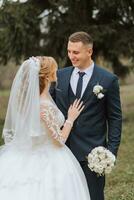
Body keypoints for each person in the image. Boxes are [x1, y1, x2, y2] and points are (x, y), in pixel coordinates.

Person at [0, 56, 91, 200]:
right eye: (54, 68)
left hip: (28, 154)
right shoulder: (44, 105)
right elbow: (59, 141)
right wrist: (70, 119)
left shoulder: (35, 99)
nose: (57, 70)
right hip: (50, 158)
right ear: (47, 75)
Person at [50, 31, 122, 200]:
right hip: (62, 152)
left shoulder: (108, 80)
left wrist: (110, 152)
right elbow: (50, 109)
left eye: (75, 52)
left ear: (89, 51)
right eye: (69, 51)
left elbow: (114, 118)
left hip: (93, 154)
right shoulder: (60, 76)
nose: (71, 56)